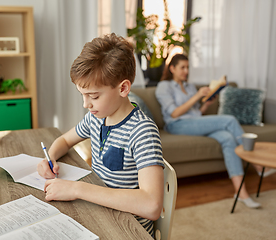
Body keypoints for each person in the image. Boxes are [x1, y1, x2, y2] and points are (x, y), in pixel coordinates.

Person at [37, 33, 165, 236]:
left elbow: (152, 205)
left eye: (94, 96)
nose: (86, 104)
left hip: (126, 229)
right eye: (82, 95)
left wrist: (77, 189)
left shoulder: (142, 131)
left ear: (123, 88)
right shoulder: (95, 118)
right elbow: (64, 140)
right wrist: (50, 157)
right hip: (99, 214)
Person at [155, 54, 270, 209]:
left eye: (187, 67)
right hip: (177, 124)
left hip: (195, 122)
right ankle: (257, 163)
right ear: (172, 68)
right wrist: (197, 95)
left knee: (228, 138)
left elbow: (197, 112)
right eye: (182, 67)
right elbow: (174, 113)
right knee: (229, 120)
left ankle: (241, 193)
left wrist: (207, 103)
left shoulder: (189, 86)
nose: (186, 71)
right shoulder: (164, 86)